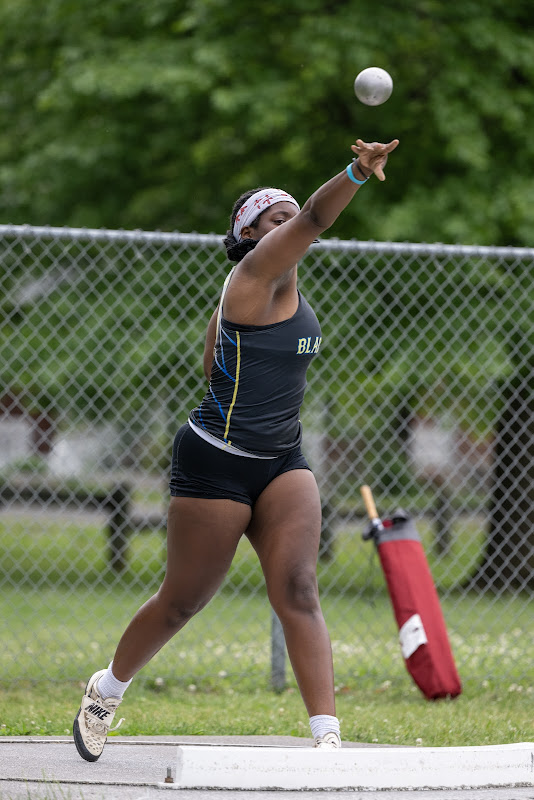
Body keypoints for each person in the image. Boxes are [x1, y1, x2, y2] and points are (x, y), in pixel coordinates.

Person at [73, 136, 399, 762]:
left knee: (299, 591)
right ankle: (106, 688)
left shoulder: (283, 294)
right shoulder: (251, 276)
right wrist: (356, 173)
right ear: (252, 237)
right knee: (182, 601)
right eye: (275, 220)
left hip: (281, 459)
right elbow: (315, 217)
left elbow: (213, 365)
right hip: (216, 461)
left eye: (289, 217)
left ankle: (327, 740)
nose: (291, 224)